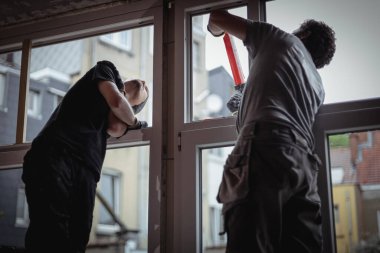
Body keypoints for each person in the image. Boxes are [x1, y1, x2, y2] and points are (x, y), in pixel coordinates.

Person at [208, 10, 336, 252]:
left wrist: (216, 31)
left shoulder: (279, 38)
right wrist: (248, 96)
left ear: (304, 33)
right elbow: (280, 102)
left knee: (250, 243)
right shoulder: (317, 85)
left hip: (267, 146)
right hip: (304, 166)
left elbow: (216, 18)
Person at [22, 60, 149, 253]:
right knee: (49, 232)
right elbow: (116, 101)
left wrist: (127, 110)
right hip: (55, 153)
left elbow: (114, 126)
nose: (144, 83)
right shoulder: (106, 69)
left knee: (77, 238)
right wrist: (136, 120)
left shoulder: (118, 121)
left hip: (86, 171)